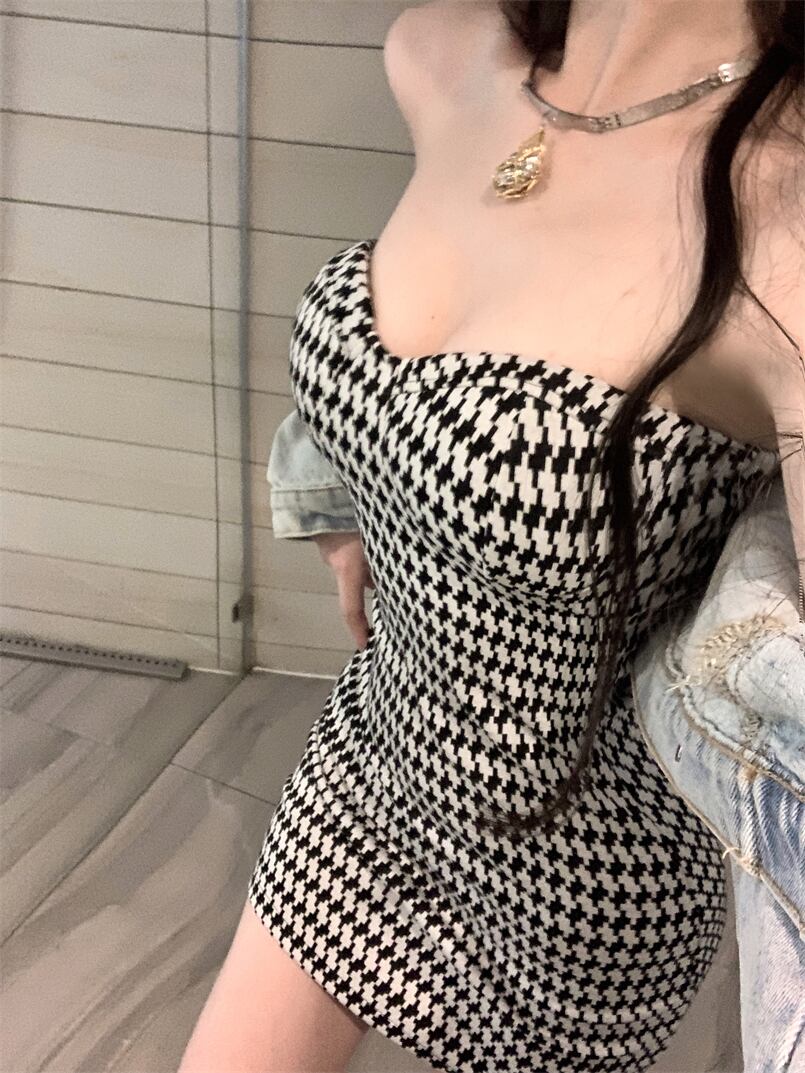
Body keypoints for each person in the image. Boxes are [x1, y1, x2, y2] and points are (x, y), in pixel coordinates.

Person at [178, 2, 803, 1071]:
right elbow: (434, 341)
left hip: (578, 871)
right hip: (370, 755)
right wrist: (350, 500)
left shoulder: (782, 218)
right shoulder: (443, 52)